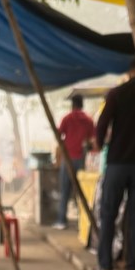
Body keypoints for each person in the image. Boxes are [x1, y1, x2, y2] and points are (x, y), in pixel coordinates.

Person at [95, 62, 135, 270]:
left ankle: (105, 264)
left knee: (109, 214)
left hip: (117, 163)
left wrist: (100, 143)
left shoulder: (117, 93)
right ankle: (133, 266)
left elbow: (102, 123)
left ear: (130, 72)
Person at [54, 95, 96, 230]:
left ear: (72, 105)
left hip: (68, 159)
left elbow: (59, 135)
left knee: (65, 191)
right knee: (81, 192)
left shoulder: (67, 118)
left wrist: (61, 151)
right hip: (83, 160)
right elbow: (93, 140)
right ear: (82, 105)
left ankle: (61, 221)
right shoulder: (89, 120)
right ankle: (82, 223)